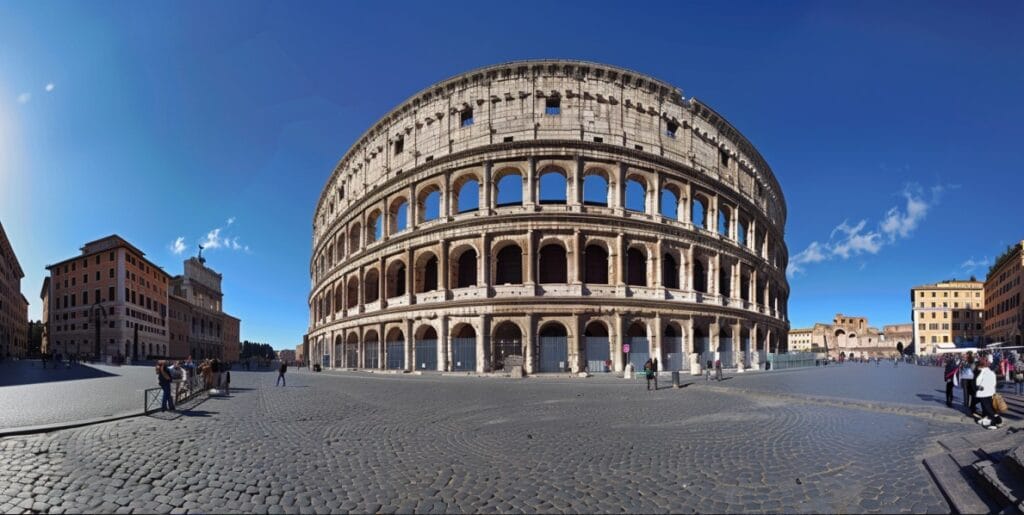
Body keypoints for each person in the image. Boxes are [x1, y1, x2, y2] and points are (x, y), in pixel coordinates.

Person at [975, 354, 1002, 429]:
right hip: (990, 392)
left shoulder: (982, 372)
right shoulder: (991, 372)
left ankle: (994, 423)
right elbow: (994, 383)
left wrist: (980, 387)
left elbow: (977, 383)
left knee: (988, 409)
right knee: (989, 407)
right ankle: (993, 420)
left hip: (984, 393)